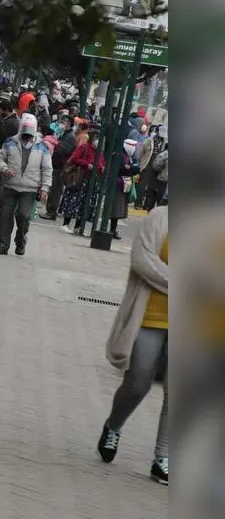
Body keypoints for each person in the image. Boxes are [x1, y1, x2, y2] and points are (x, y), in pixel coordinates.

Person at [98, 205, 169, 485]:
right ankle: (113, 426)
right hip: (151, 315)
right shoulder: (160, 217)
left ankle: (162, 458)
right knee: (138, 382)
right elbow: (143, 260)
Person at [0, 113, 53, 256]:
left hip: (29, 189)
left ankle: (20, 240)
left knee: (23, 216)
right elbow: (0, 158)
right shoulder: (10, 142)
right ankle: (2, 243)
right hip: (10, 185)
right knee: (5, 216)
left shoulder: (42, 147)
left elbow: (47, 169)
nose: (27, 135)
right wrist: (4, 169)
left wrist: (44, 188)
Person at [59, 130, 105, 234]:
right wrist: (86, 164)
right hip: (80, 179)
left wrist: (101, 167)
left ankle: (78, 226)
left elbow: (102, 162)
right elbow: (74, 158)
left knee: (85, 204)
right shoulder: (84, 147)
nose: (97, 141)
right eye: (95, 138)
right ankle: (66, 224)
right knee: (73, 201)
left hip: (92, 181)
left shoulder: (100, 152)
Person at [41, 120, 81, 220]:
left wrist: (56, 145)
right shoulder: (65, 134)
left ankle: (51, 211)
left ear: (69, 125)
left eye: (64, 122)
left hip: (60, 166)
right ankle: (50, 210)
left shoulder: (70, 137)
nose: (61, 124)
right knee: (54, 188)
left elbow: (62, 150)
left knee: (55, 189)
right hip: (58, 165)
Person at [109, 139, 141, 239]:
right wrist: (130, 169)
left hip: (123, 185)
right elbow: (120, 169)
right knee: (116, 208)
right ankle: (112, 230)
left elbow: (128, 168)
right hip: (118, 185)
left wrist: (130, 168)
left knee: (118, 209)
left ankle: (113, 230)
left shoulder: (127, 156)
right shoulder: (119, 155)